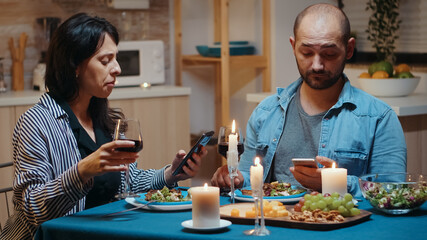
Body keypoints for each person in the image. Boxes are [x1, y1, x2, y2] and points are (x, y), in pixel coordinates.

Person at [0, 13, 206, 240]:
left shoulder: (105, 119)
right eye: (105, 61)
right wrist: (82, 172)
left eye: (116, 58)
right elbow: (32, 209)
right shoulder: (36, 122)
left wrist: (170, 173)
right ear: (75, 66)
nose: (117, 68)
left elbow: (128, 182)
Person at [211, 3, 406, 197]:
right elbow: (247, 176)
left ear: (349, 49)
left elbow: (392, 192)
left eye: (329, 54)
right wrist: (233, 179)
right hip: (276, 224)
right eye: (306, 53)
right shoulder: (266, 112)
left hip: (342, 226)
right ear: (293, 46)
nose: (317, 65)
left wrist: (335, 182)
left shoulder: (379, 117)